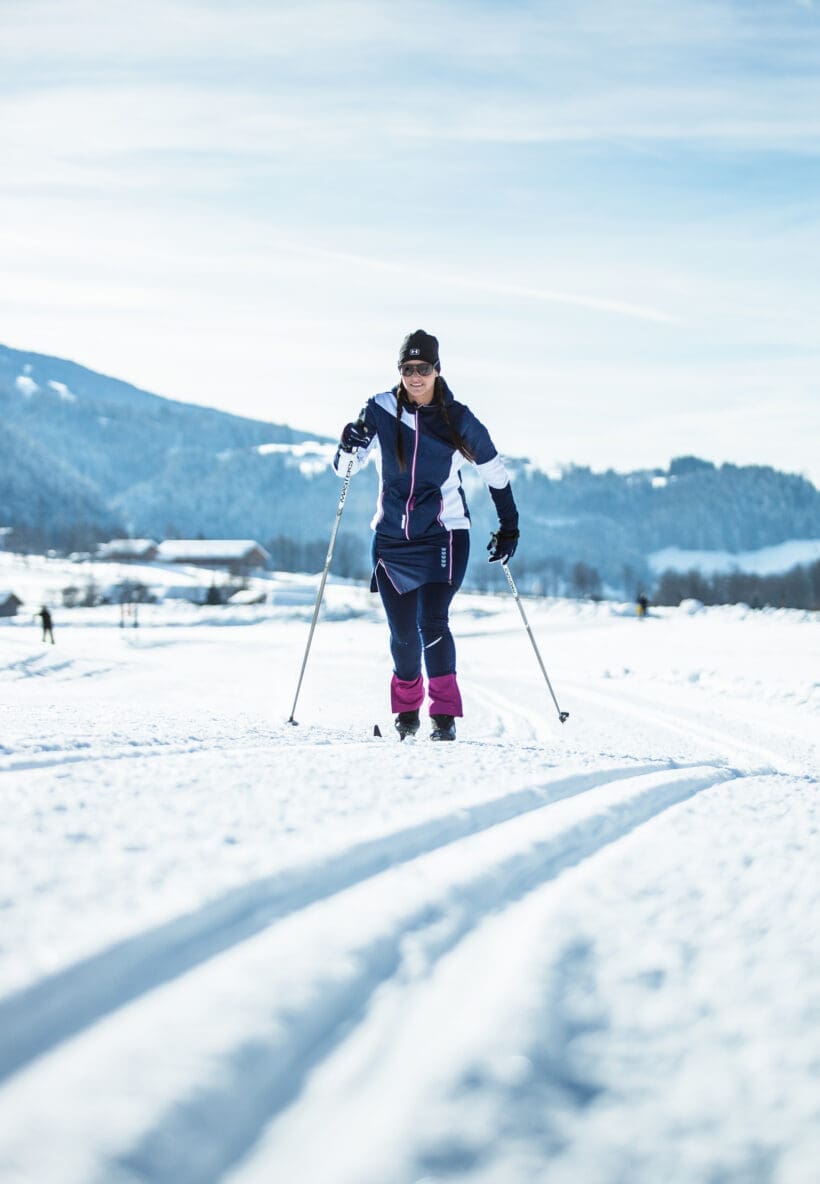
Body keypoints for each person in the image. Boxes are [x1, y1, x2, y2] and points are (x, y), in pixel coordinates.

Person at [333, 329, 519, 741]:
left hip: (444, 534)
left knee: (431, 621)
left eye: (423, 368)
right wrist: (348, 443)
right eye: (407, 368)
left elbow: (494, 470)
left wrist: (510, 525)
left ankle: (444, 717)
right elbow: (347, 467)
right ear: (399, 371)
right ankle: (407, 712)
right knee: (402, 635)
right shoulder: (379, 409)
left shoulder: (457, 418)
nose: (415, 376)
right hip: (392, 540)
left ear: (437, 369)